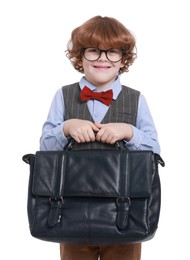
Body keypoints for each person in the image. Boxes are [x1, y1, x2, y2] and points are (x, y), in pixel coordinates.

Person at [40, 15, 160, 260]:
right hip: (70, 209)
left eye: (112, 52)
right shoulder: (63, 95)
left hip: (125, 213)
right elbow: (44, 150)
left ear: (123, 58)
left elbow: (155, 153)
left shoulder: (136, 98)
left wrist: (129, 132)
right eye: (94, 50)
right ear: (80, 56)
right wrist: (66, 128)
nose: (103, 58)